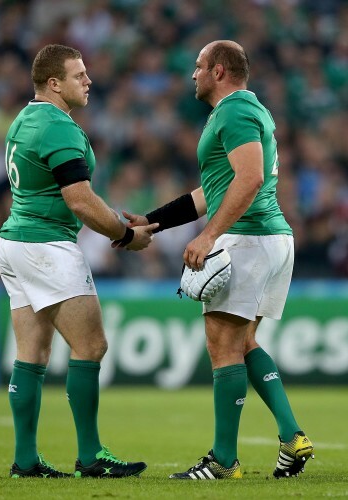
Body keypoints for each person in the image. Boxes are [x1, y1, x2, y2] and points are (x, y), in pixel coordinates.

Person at [122, 40, 314, 480]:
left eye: (198, 66)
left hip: (249, 239)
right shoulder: (242, 112)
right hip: (270, 237)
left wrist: (209, 236)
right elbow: (213, 191)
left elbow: (250, 179)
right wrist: (155, 221)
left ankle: (224, 461)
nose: (193, 74)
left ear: (220, 71)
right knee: (244, 344)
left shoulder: (234, 111)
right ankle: (292, 437)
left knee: (222, 346)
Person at [0, 44, 158, 479]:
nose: (89, 81)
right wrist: (126, 234)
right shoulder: (58, 127)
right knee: (92, 346)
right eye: (78, 75)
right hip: (47, 247)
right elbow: (81, 201)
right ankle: (90, 456)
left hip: (14, 242)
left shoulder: (23, 120)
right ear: (54, 83)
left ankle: (25, 460)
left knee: (32, 353)